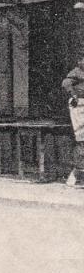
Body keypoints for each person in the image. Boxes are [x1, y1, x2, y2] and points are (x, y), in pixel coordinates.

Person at [62, 59, 84, 187]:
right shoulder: (77, 72)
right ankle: (76, 173)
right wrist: (74, 94)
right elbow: (66, 83)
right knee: (81, 139)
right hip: (79, 106)